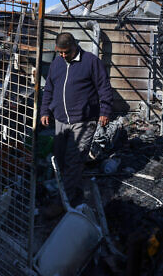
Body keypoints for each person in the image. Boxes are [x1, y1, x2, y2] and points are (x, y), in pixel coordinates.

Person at [40, 32, 112, 216]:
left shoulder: (90, 61)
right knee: (61, 158)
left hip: (84, 120)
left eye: (66, 52)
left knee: (74, 160)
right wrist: (45, 110)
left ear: (75, 46)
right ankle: (73, 191)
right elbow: (49, 88)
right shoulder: (57, 63)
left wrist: (104, 111)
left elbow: (104, 86)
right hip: (61, 120)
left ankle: (63, 204)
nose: (63, 55)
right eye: (60, 52)